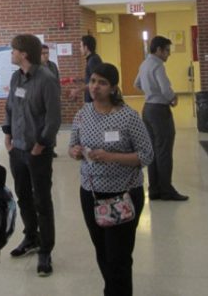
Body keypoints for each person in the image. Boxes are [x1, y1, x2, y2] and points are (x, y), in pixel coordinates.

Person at [68, 63, 153, 296]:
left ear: (113, 88)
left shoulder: (128, 117)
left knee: (119, 257)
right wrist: (75, 152)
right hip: (91, 194)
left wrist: (111, 156)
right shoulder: (83, 114)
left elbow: (146, 155)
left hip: (123, 195)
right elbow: (71, 146)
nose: (95, 87)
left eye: (102, 83)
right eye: (93, 81)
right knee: (103, 252)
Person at [3, 34, 61, 276]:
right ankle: (31, 236)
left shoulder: (46, 79)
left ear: (24, 53)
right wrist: (7, 134)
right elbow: (9, 107)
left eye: (13, 50)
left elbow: (54, 117)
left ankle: (46, 249)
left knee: (42, 200)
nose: (11, 54)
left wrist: (42, 143)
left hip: (37, 151)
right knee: (23, 196)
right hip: (17, 150)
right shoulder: (16, 77)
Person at [134, 35, 189, 201]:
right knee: (164, 151)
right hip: (160, 111)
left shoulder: (144, 64)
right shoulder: (158, 66)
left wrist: (150, 92)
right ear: (158, 50)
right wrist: (173, 98)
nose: (168, 54)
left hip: (148, 109)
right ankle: (166, 190)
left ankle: (154, 189)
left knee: (152, 151)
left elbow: (136, 84)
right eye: (167, 50)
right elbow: (165, 89)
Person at [69, 35, 102, 102]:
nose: (80, 49)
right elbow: (92, 78)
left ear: (86, 47)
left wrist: (76, 91)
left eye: (81, 46)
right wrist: (81, 80)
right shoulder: (93, 58)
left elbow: (95, 82)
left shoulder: (92, 60)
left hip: (93, 99)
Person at [41, 44, 60, 159]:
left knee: (52, 125)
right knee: (42, 126)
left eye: (47, 53)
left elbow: (57, 82)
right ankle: (43, 147)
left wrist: (58, 96)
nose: (45, 55)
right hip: (41, 101)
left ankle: (51, 147)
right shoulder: (36, 67)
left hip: (52, 100)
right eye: (42, 53)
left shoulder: (52, 66)